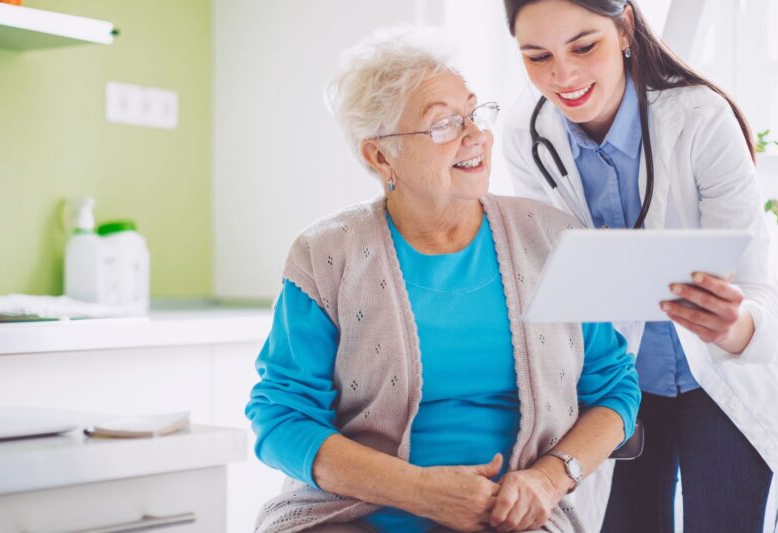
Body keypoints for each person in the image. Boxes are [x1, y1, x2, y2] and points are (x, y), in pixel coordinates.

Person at [245, 26, 640, 533]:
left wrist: (547, 478)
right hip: (351, 514)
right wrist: (419, 491)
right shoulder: (326, 255)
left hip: (512, 517)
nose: (475, 135)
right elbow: (280, 417)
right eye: (444, 125)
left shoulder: (553, 238)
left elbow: (614, 390)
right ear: (380, 156)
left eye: (474, 113)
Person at [500, 1, 778, 532]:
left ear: (625, 27)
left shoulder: (701, 118)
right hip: (613, 386)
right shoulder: (528, 133)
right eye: (537, 57)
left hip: (720, 382)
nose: (562, 76)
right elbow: (556, 273)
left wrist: (733, 324)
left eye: (585, 46)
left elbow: (753, 286)